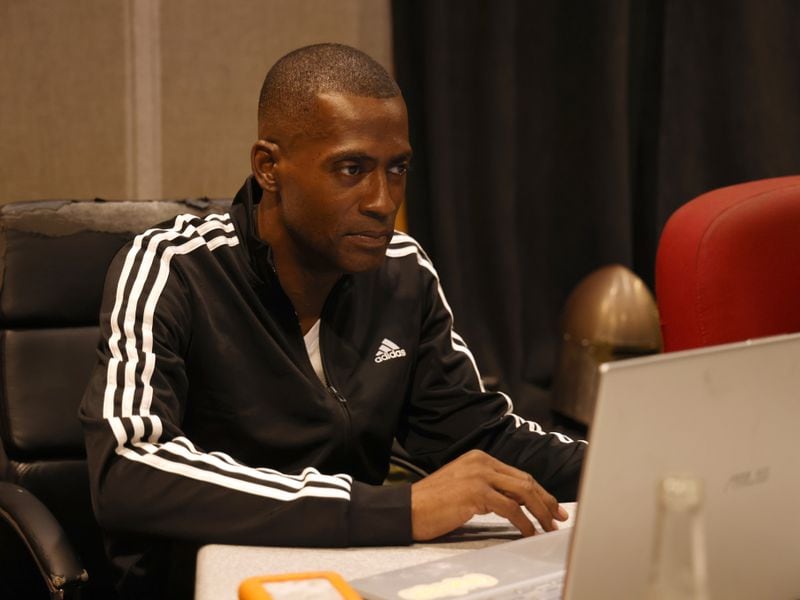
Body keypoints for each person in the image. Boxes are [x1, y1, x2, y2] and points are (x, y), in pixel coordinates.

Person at [80, 43, 585, 598]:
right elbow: (127, 470)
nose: (382, 201)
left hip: (350, 575)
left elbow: (476, 435)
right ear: (269, 167)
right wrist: (399, 510)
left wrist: (626, 469)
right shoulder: (172, 268)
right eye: (352, 169)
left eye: (397, 169)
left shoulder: (402, 271)